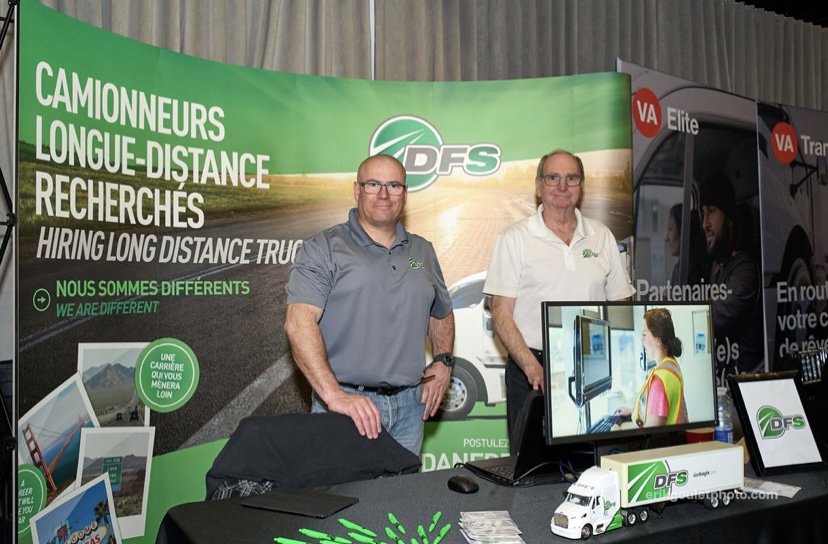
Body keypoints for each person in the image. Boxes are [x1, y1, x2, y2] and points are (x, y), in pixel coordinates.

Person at [284, 154, 455, 455]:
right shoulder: (324, 247)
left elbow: (441, 313)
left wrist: (443, 361)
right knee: (340, 487)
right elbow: (298, 323)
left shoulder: (423, 251)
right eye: (373, 184)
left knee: (402, 488)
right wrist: (334, 396)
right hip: (346, 409)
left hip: (410, 409)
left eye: (394, 186)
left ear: (405, 193)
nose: (384, 194)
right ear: (357, 190)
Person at [483, 149, 635, 450]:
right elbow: (501, 314)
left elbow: (621, 306)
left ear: (581, 185)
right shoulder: (515, 237)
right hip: (532, 368)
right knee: (533, 463)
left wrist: (621, 366)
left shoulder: (602, 236)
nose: (562, 186)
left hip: (592, 363)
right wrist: (533, 368)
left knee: (592, 457)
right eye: (553, 177)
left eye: (571, 178)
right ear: (538, 186)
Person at [700, 173, 764, 382]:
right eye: (703, 213)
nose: (705, 224)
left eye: (712, 211)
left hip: (742, 379)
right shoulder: (717, 265)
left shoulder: (745, 268)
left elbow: (717, 315)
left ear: (729, 219)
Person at [615, 308, 688, 427]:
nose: (641, 340)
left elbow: (651, 433)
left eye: (644, 334)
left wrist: (617, 433)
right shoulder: (672, 364)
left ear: (658, 339)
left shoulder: (659, 380)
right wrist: (633, 411)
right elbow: (657, 407)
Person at [667, 203, 706, 285]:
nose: (667, 237)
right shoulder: (681, 268)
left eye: (670, 229)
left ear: (683, 232)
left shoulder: (693, 272)